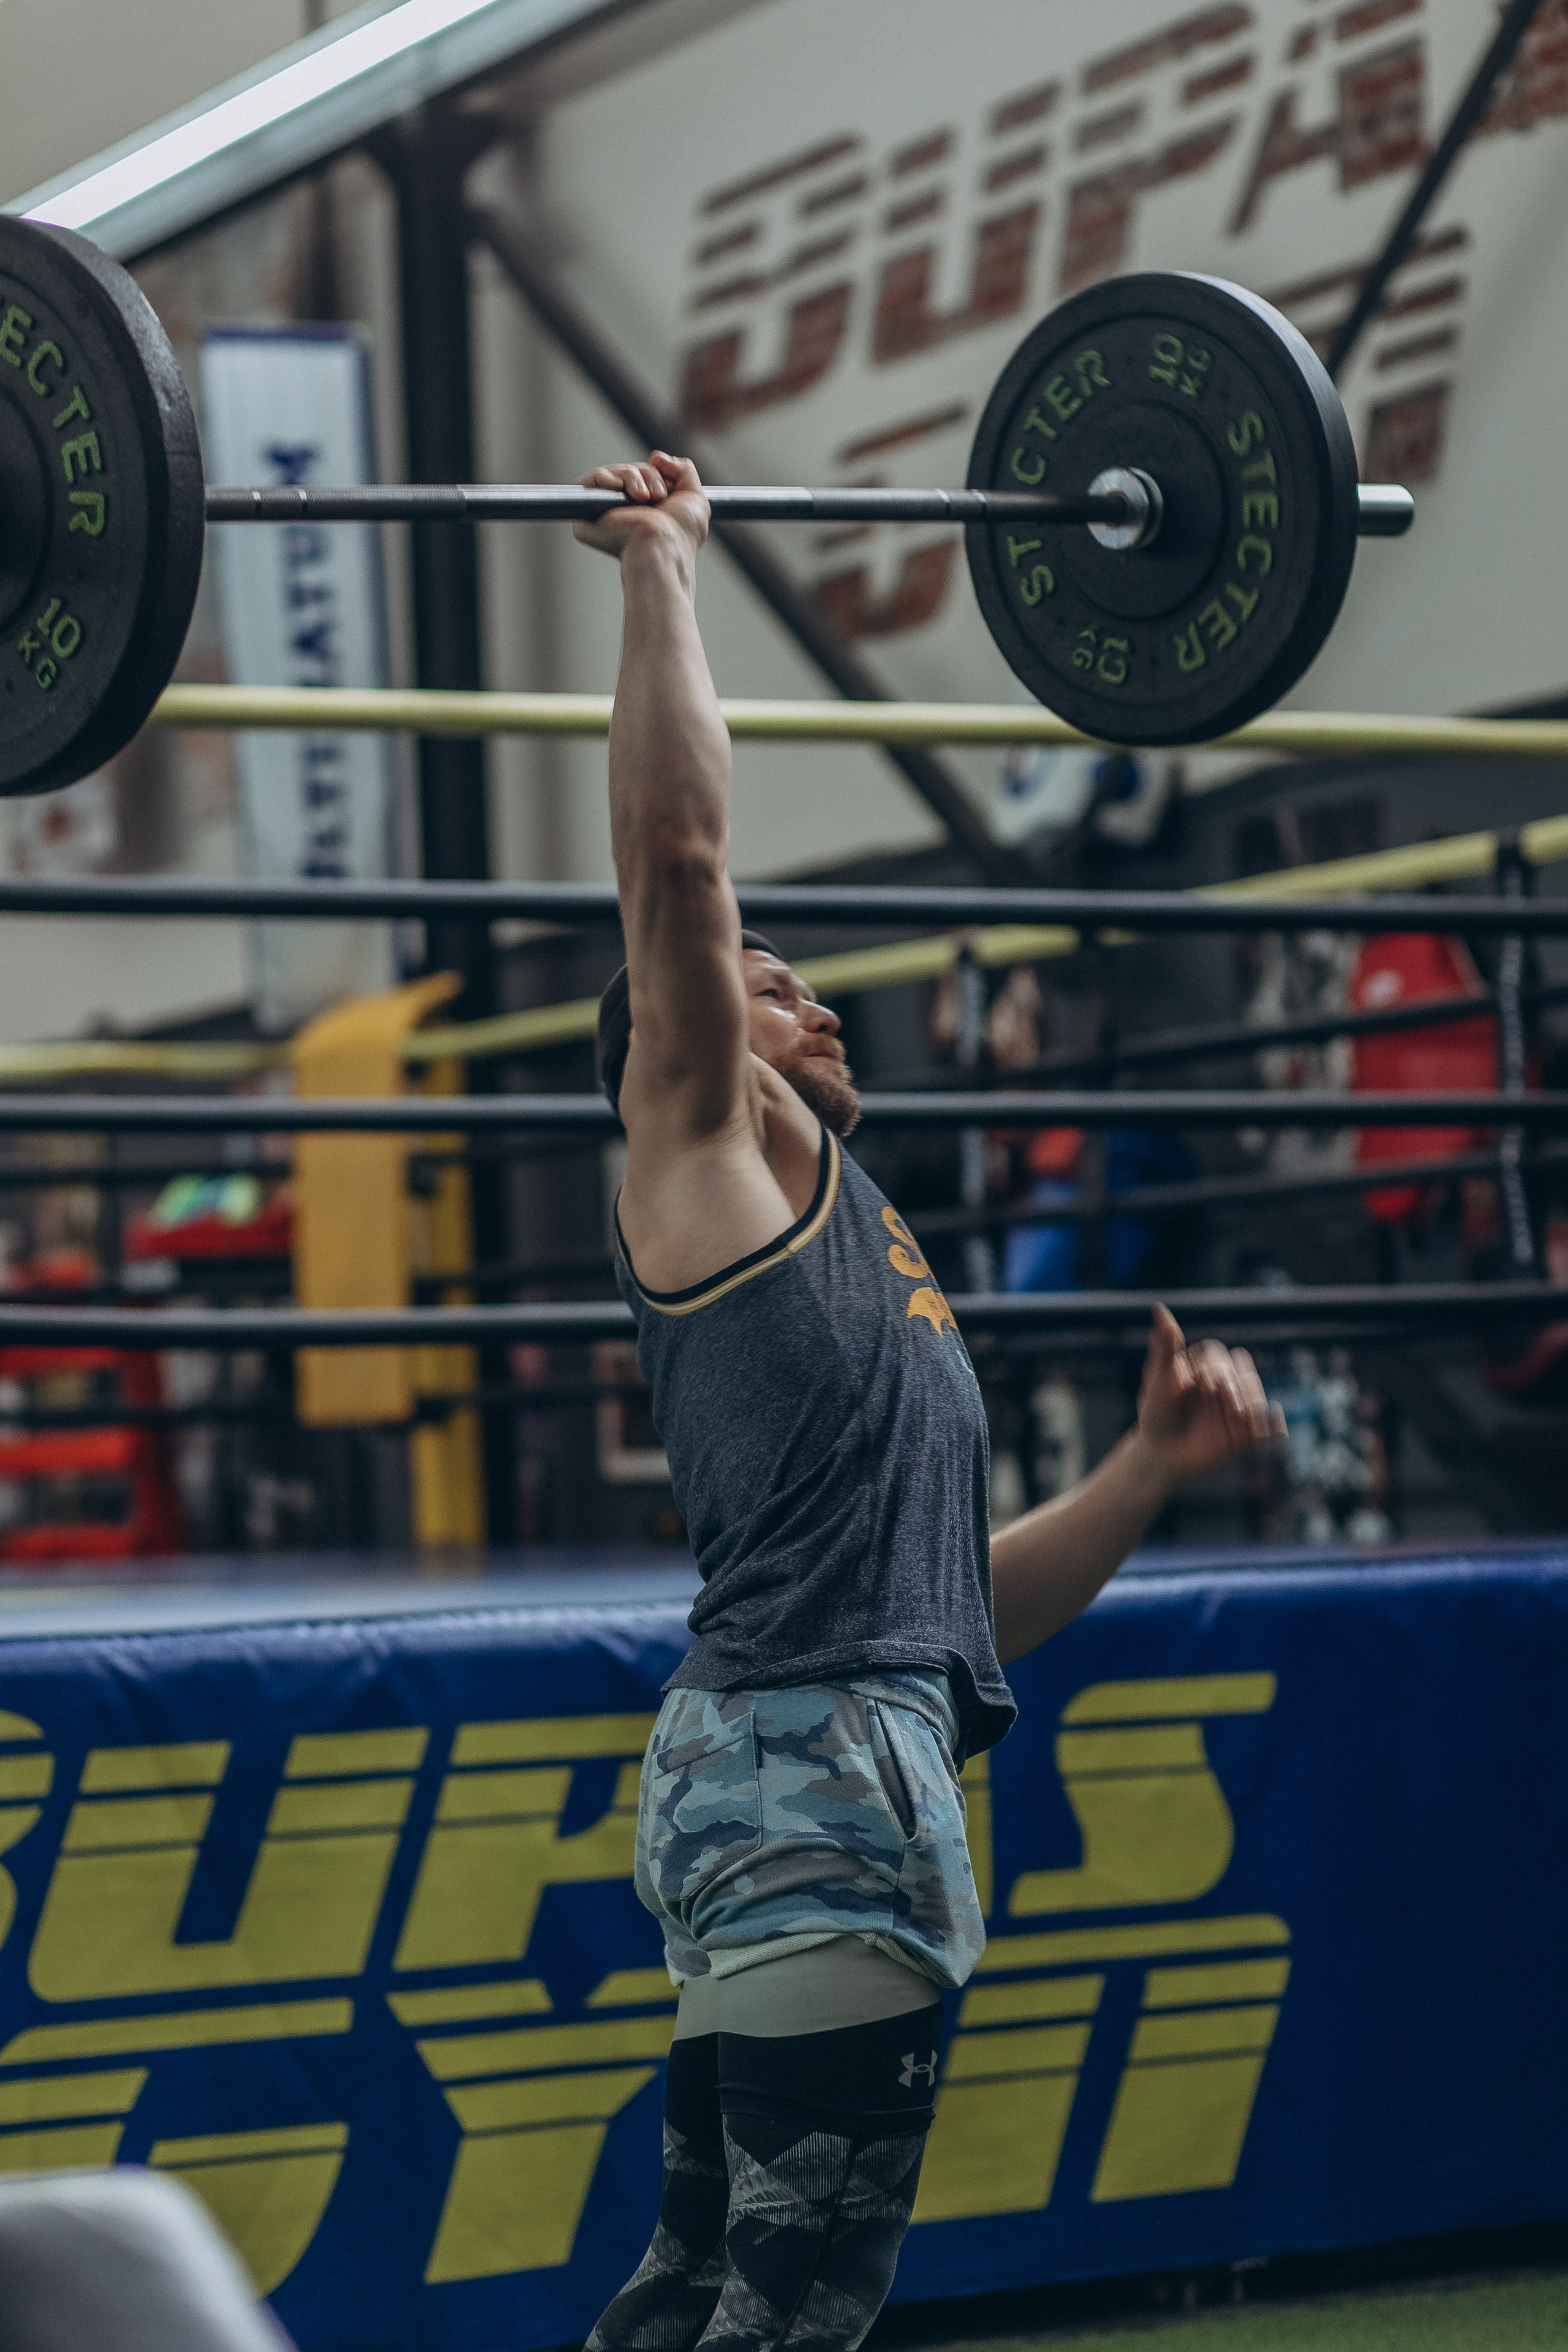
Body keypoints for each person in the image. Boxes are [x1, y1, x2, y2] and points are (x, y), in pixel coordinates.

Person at [578, 452, 1283, 2352]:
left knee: (701, 2306)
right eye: (776, 987)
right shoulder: (702, 1148)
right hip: (815, 1793)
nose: (820, 1010)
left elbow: (953, 1614)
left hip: (803, 1767)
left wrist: (1149, 1466)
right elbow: (676, 868)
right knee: (787, 2320)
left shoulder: (855, 1242)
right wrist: (665, 569)